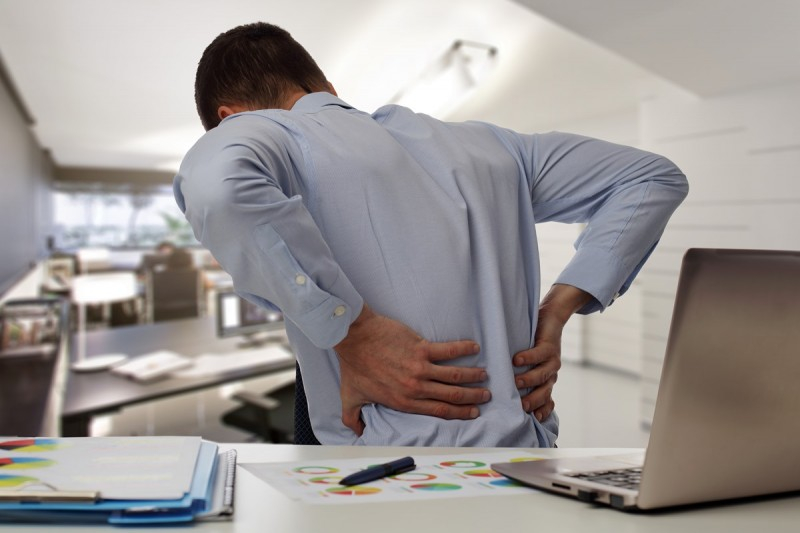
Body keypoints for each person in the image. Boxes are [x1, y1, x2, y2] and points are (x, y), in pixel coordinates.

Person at [174, 22, 688, 447]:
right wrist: (557, 310)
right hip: (527, 458)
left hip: (393, 476)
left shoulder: (268, 133)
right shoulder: (491, 147)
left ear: (229, 118)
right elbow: (651, 178)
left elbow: (219, 189)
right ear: (328, 87)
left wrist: (353, 331)